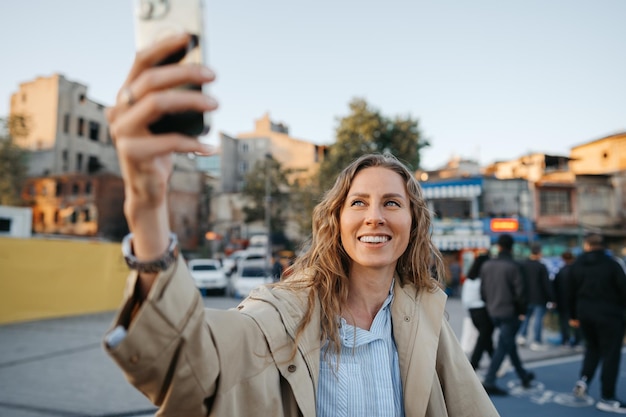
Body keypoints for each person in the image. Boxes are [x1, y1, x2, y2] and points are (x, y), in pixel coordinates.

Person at [102, 33, 499, 417]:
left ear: (412, 223)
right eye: (358, 202)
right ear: (337, 221)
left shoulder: (427, 319)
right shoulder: (282, 313)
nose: (374, 216)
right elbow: (185, 362)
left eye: (392, 203)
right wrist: (148, 207)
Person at [569, 233, 626, 413]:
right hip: (610, 316)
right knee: (610, 355)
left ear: (586, 245)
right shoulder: (613, 265)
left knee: (592, 348)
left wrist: (573, 316)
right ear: (603, 246)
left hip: (585, 314)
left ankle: (584, 380)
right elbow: (624, 291)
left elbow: (569, 292)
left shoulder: (577, 265)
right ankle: (607, 397)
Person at [480, 234, 535, 396]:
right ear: (512, 247)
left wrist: (490, 304)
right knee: (504, 345)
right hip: (509, 312)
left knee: (508, 342)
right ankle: (489, 380)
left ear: (498, 246)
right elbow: (520, 293)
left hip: (492, 311)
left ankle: (523, 375)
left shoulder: (487, 265)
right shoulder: (514, 266)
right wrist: (522, 312)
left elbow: (483, 291)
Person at [517, 243, 554, 350]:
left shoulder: (523, 265)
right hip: (539, 297)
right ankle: (536, 341)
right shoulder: (541, 266)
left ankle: (522, 337)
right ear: (539, 253)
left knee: (526, 318)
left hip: (525, 297)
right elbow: (546, 284)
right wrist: (551, 298)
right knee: (538, 320)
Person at [461, 253, 494, 370]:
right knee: (483, 338)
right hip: (483, 311)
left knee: (486, 338)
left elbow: (465, 299)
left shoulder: (469, 279)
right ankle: (474, 364)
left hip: (472, 311)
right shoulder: (483, 279)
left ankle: (495, 362)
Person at [552, 251, 580, 347]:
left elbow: (554, 287)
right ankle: (578, 341)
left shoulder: (560, 271)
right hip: (576, 301)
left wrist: (554, 300)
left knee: (564, 322)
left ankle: (565, 340)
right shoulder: (577, 271)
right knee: (577, 321)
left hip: (563, 300)